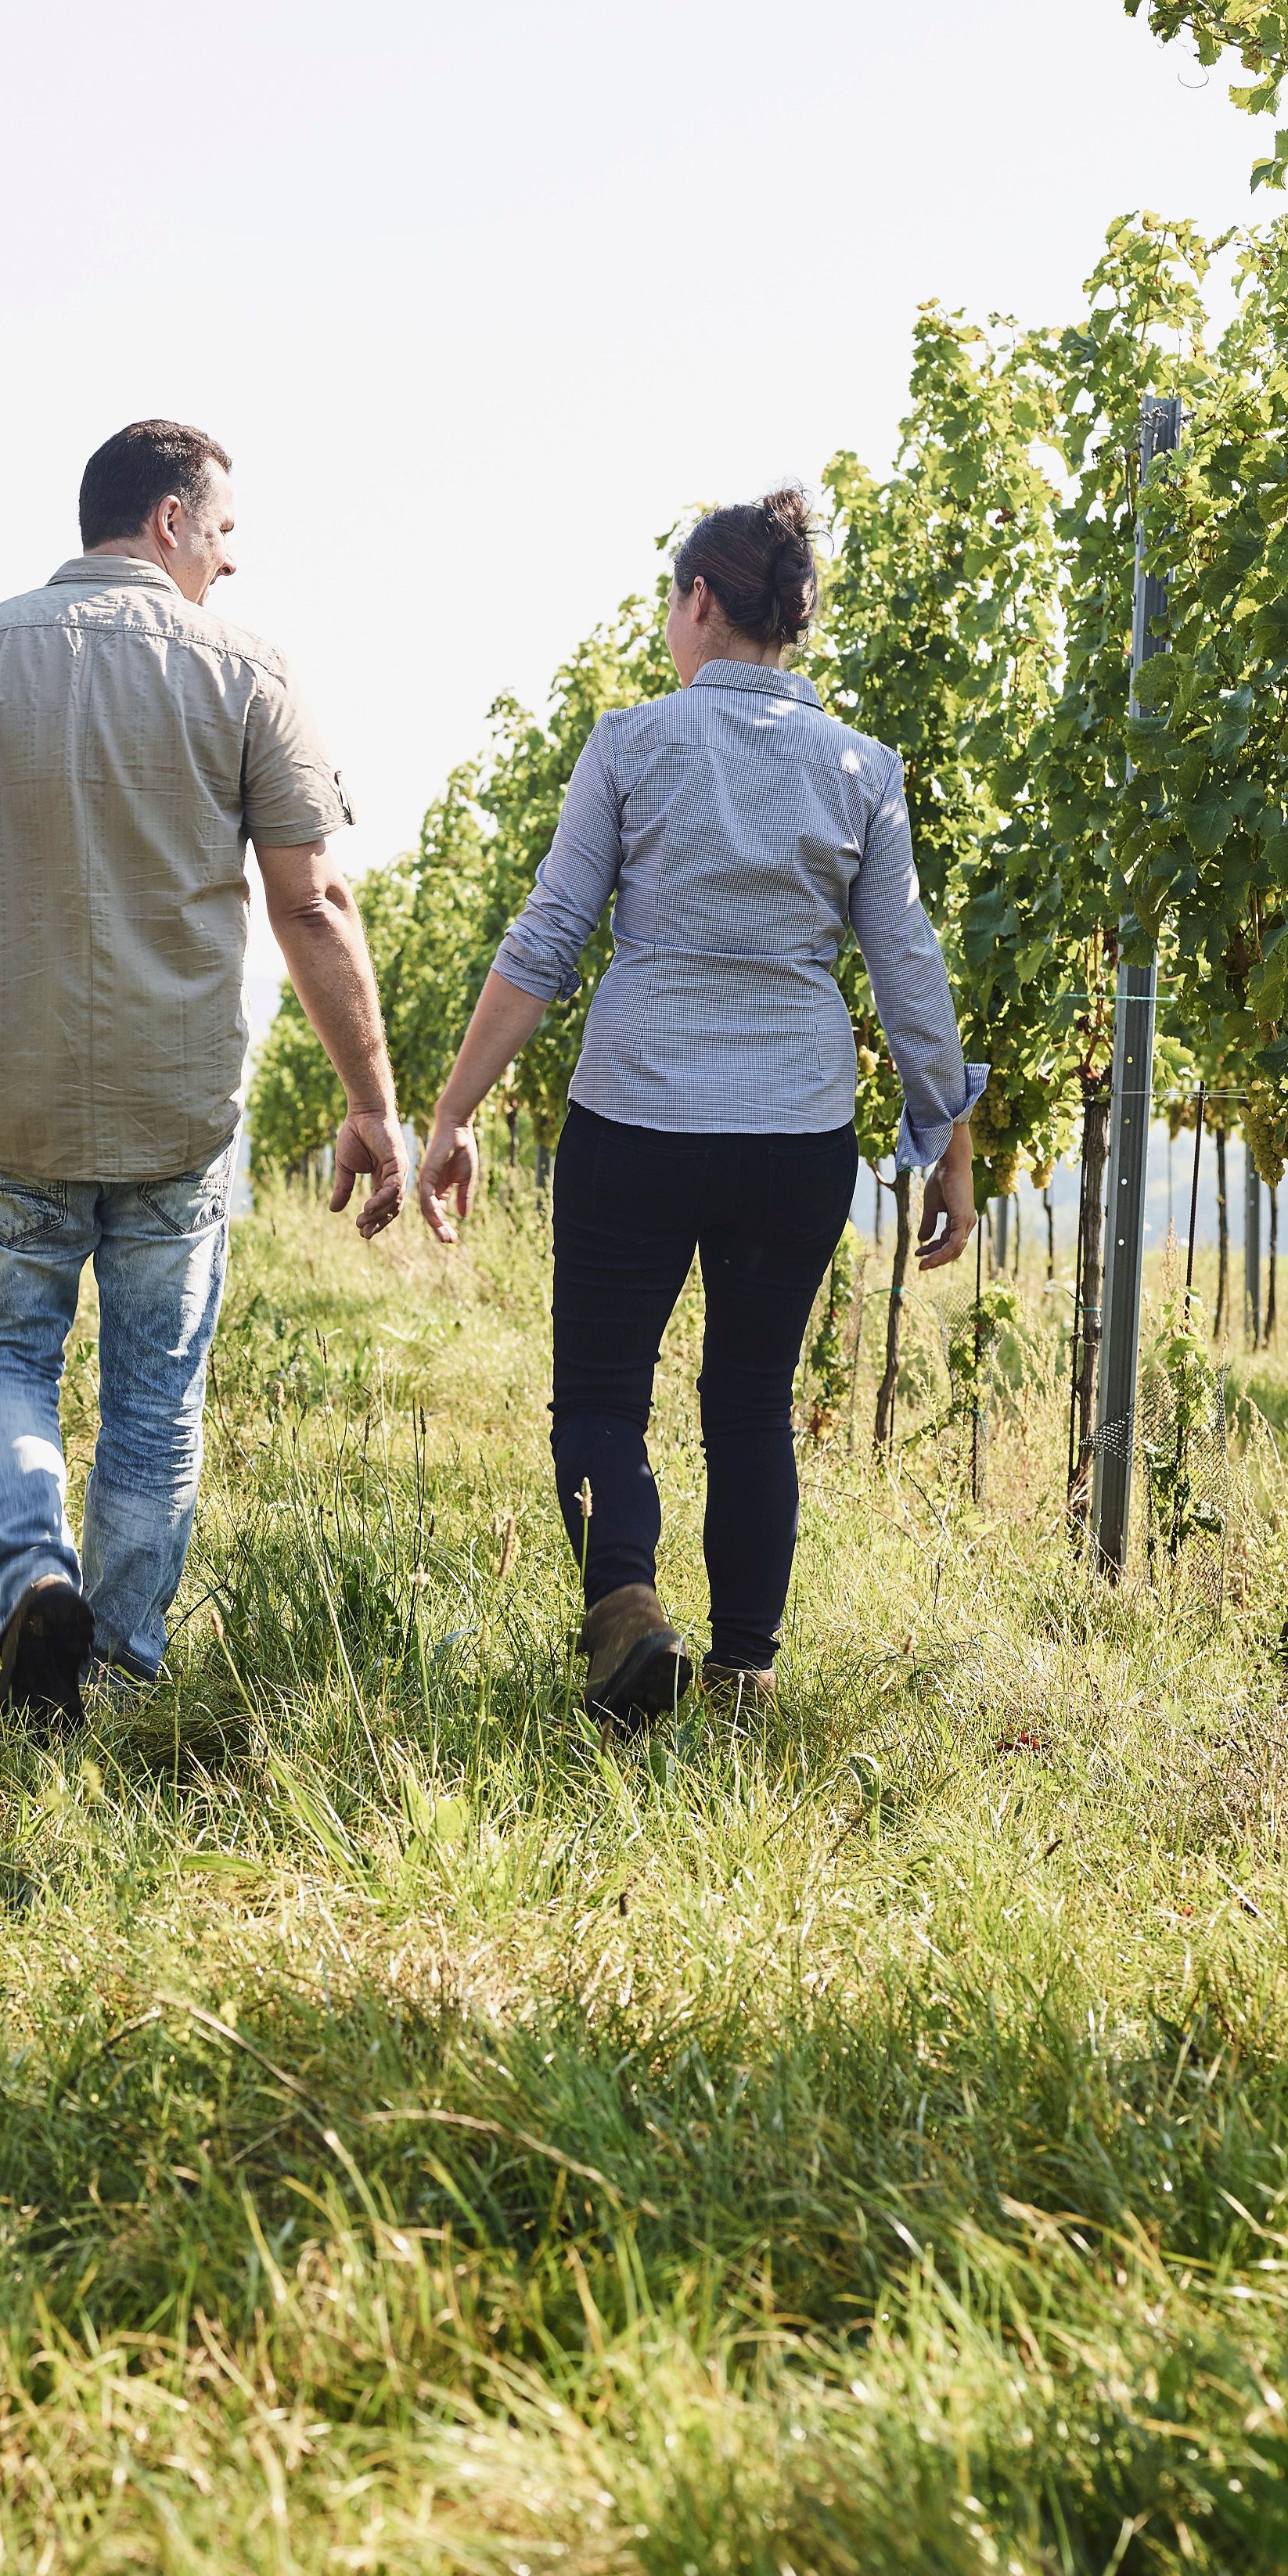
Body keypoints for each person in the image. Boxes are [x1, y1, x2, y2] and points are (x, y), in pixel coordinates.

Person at [0, 419, 411, 1729]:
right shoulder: (250, 672)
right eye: (225, 533)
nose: (232, 564)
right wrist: (371, 1104)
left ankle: (31, 1572)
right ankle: (118, 1671)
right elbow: (312, 904)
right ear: (168, 523)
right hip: (177, 1107)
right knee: (154, 1391)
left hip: (14, 1095)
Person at [416, 486, 981, 1725]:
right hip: (792, 1136)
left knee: (604, 1395)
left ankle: (625, 1608)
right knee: (749, 1406)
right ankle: (742, 1672)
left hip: (636, 1117)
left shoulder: (631, 743)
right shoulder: (862, 770)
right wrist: (944, 1133)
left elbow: (549, 934)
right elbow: (905, 964)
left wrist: (454, 1110)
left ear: (700, 603)